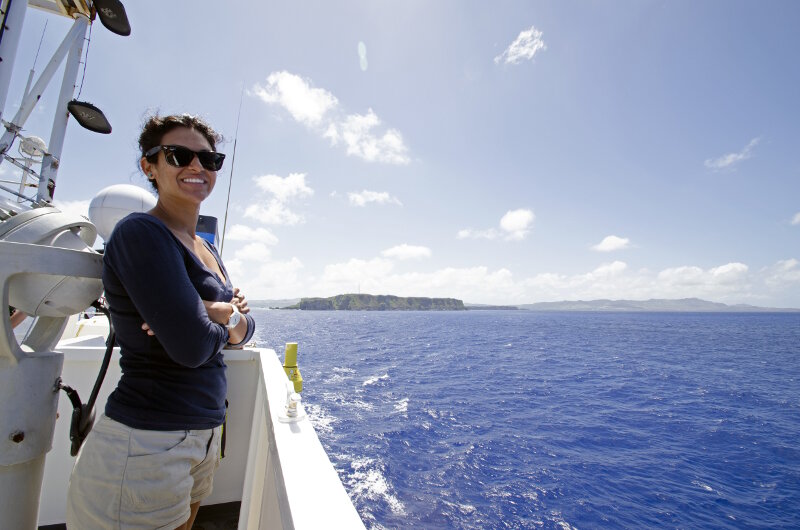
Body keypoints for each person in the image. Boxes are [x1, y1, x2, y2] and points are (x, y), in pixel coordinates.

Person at [66, 114, 255, 529]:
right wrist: (217, 315)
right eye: (179, 155)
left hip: (201, 434)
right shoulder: (142, 233)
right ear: (150, 166)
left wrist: (213, 313)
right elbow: (190, 347)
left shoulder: (205, 248)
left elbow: (245, 330)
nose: (196, 166)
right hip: (147, 443)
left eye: (208, 158)